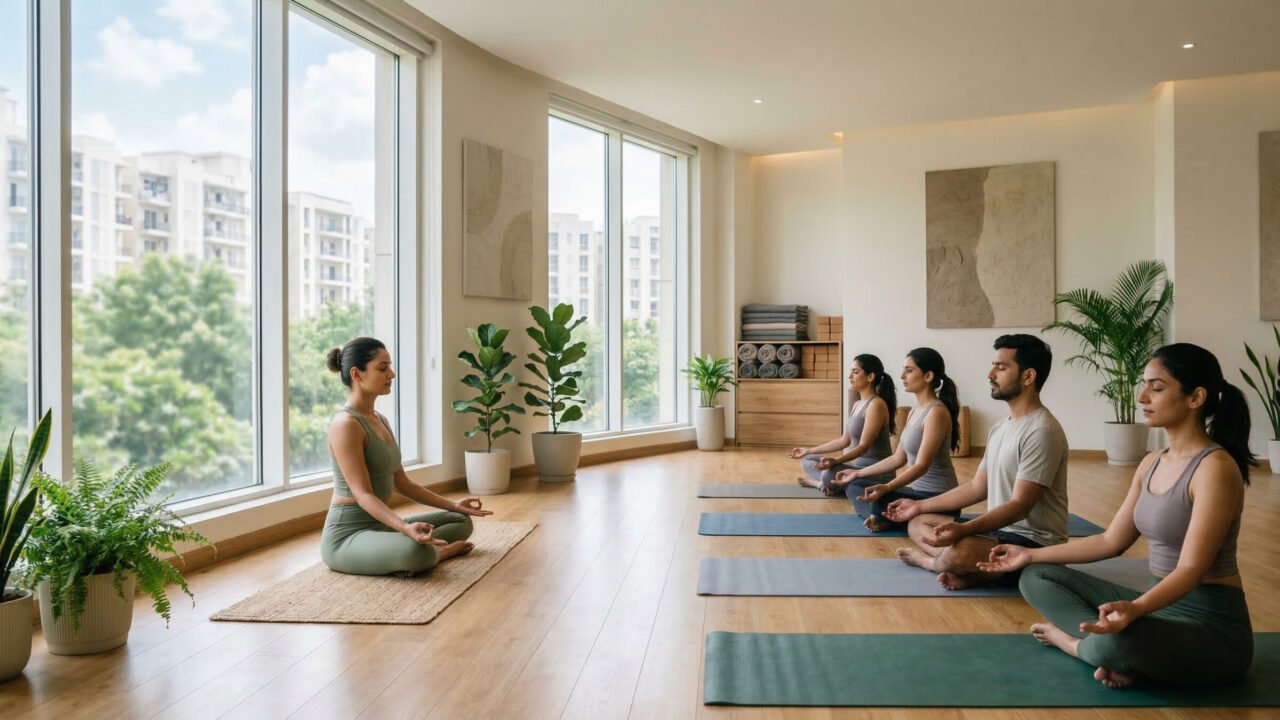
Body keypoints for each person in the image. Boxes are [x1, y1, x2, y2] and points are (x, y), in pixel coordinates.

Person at [979, 343, 1255, 689]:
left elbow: (1190, 570)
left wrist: (1135, 610)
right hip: (1156, 609)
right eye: (1144, 385)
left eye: (1157, 387)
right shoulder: (1151, 462)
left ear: (1195, 398)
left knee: (1120, 640)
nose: (1142, 397)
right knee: (1036, 576)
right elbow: (1111, 541)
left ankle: (1079, 645)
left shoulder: (1214, 469)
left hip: (1212, 629)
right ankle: (1113, 650)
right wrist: (1028, 554)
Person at [884, 334, 1069, 590]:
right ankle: (968, 568)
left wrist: (964, 530)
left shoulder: (1042, 431)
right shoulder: (1000, 427)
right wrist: (918, 505)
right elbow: (976, 488)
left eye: (1001, 368)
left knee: (961, 548)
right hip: (997, 534)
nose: (990, 374)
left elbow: (1019, 506)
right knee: (918, 523)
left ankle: (933, 563)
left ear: (1028, 377)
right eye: (993, 366)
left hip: (1033, 546)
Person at [320, 337, 491, 576]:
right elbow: (363, 495)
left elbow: (402, 483)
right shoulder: (346, 424)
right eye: (382, 368)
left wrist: (453, 504)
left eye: (389, 366)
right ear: (357, 374)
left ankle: (413, 550)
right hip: (347, 536)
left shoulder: (380, 419)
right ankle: (437, 553)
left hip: (380, 525)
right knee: (416, 551)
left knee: (460, 521)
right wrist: (404, 527)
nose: (392, 374)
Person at [832, 348, 959, 532]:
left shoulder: (936, 412)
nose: (902, 375)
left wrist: (888, 486)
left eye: (909, 370)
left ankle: (883, 516)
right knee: (855, 485)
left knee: (878, 500)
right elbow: (898, 459)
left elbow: (921, 465)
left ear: (928, 376)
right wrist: (857, 474)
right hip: (917, 494)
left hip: (938, 497)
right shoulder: (915, 411)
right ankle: (885, 517)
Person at [789, 354, 896, 497]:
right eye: (851, 371)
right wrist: (808, 450)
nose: (850, 376)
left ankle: (821, 484)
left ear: (870, 377)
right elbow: (844, 441)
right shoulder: (857, 404)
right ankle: (834, 485)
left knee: (828, 473)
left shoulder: (876, 405)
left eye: (855, 372)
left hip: (876, 473)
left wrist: (836, 461)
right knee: (807, 461)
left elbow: (863, 447)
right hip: (856, 469)